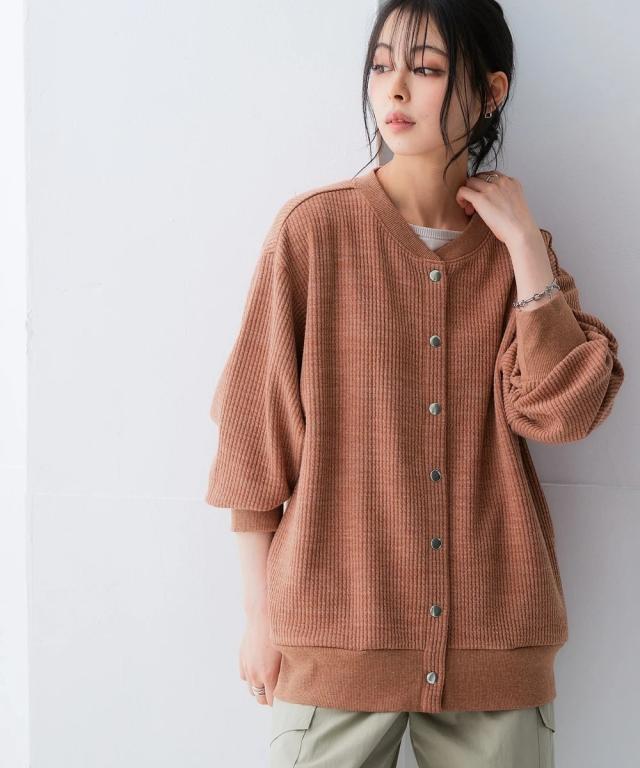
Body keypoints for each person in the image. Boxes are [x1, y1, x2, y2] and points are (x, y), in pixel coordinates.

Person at [204, 1, 625, 766]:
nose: (394, 89)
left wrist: (525, 247)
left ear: (491, 91)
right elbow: (252, 443)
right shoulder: (314, 232)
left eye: (425, 68)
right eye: (381, 65)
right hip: (333, 648)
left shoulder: (517, 253)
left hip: (495, 653)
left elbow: (562, 412)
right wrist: (259, 618)